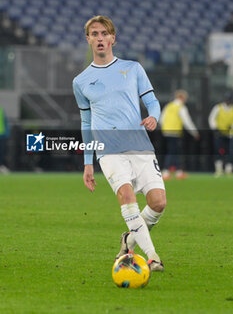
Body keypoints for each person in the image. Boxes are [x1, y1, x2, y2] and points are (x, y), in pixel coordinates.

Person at [73, 15, 166, 272]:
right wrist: (88, 163)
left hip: (140, 145)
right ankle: (152, 256)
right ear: (88, 39)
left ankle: (128, 238)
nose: (100, 38)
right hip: (108, 149)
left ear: (113, 38)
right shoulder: (80, 81)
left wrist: (153, 117)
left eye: (104, 33)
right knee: (126, 196)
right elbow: (86, 123)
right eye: (94, 34)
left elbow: (153, 102)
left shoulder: (133, 68)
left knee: (158, 202)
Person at [160, 90, 200, 180]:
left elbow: (162, 119)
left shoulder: (168, 106)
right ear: (182, 97)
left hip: (166, 131)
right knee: (173, 151)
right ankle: (167, 171)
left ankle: (178, 171)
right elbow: (187, 121)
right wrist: (194, 132)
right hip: (175, 132)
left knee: (173, 151)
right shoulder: (181, 107)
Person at [208, 90, 233, 176]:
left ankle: (228, 170)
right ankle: (219, 169)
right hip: (219, 134)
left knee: (230, 152)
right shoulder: (218, 107)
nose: (228, 101)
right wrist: (215, 128)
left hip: (230, 134)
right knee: (218, 150)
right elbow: (211, 119)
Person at [0, 106, 10, 173]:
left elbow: (5, 121)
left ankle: (1, 166)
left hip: (2, 135)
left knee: (2, 152)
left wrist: (7, 133)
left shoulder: (1, 110)